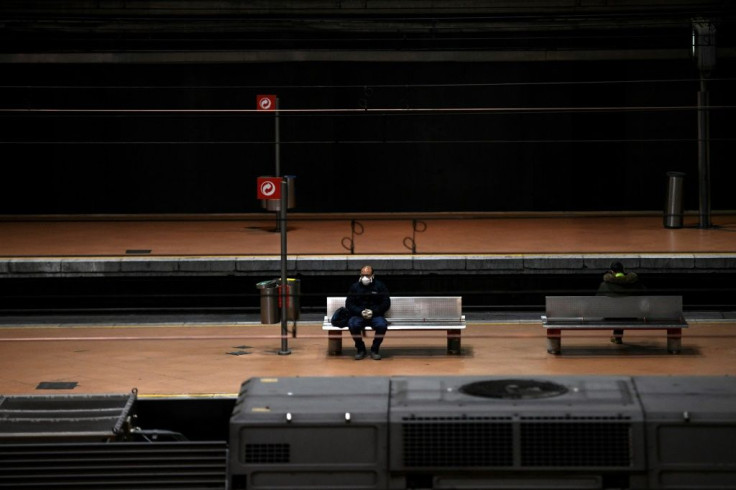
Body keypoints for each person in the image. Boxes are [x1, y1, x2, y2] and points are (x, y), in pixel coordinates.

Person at [346, 265, 391, 360]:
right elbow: (349, 304)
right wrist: (360, 312)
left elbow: (386, 303)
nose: (365, 277)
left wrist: (373, 312)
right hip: (359, 315)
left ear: (373, 275)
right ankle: (360, 349)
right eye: (363, 275)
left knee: (382, 325)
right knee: (352, 324)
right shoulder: (354, 287)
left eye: (367, 275)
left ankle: (375, 349)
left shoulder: (380, 286)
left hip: (375, 315)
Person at [596, 261, 645, 344]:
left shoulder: (604, 285)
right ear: (623, 271)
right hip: (631, 316)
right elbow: (644, 294)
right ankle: (617, 337)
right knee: (623, 310)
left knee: (616, 311)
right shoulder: (634, 284)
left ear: (611, 272)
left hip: (610, 316)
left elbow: (596, 301)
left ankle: (617, 337)